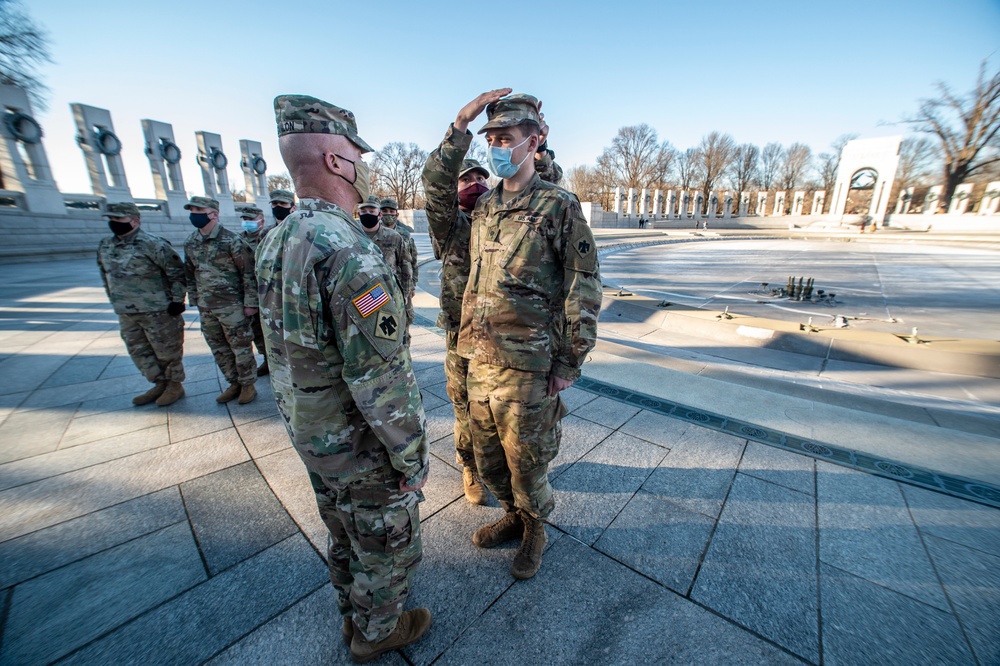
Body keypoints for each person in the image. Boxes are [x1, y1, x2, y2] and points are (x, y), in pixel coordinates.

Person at [255, 94, 431, 662]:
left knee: (342, 531)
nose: (362, 166)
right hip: (360, 443)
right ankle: (380, 631)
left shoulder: (277, 239)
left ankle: (351, 615)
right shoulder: (349, 251)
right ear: (337, 161)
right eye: (356, 153)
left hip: (312, 433)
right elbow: (380, 375)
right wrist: (411, 455)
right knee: (382, 541)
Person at [457, 91, 602, 580]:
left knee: (527, 461)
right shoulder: (484, 207)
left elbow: (582, 285)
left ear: (533, 142)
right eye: (492, 139)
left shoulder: (559, 205)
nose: (497, 147)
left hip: (529, 364)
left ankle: (535, 527)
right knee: (489, 458)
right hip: (480, 359)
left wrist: (568, 361)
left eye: (506, 138)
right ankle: (513, 516)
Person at [421, 88, 564, 507]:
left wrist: (540, 144)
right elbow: (434, 187)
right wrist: (461, 126)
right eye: (466, 179)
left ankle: (523, 487)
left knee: (519, 425)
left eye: (480, 178)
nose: (475, 184)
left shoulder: (502, 211)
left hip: (508, 341)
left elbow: (546, 190)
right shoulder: (451, 227)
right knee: (467, 415)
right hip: (461, 337)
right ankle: (472, 467)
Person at [97, 201, 187, 407]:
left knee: (167, 350)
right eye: (111, 219)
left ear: (135, 220)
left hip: (158, 310)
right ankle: (158, 382)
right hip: (127, 310)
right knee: (138, 350)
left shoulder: (153, 244)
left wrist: (177, 301)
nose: (114, 223)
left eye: (119, 219)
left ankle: (174, 384)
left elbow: (176, 273)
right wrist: (114, 300)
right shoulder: (105, 245)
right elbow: (106, 275)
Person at [183, 196, 258, 405]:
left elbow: (248, 274)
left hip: (232, 305)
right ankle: (233, 382)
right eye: (192, 210)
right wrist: (195, 300)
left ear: (213, 213)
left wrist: (251, 303)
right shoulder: (191, 242)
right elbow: (190, 274)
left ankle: (247, 384)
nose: (194, 214)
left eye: (199, 210)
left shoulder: (232, 241)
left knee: (240, 345)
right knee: (217, 346)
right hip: (207, 306)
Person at [357, 195, 413, 338]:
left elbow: (406, 266)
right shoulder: (351, 235)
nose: (368, 214)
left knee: (394, 336)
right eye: (364, 211)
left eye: (372, 210)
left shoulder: (394, 236)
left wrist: (406, 294)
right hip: (361, 295)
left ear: (378, 214)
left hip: (389, 294)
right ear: (358, 213)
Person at [238, 204, 272, 376]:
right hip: (250, 293)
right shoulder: (237, 241)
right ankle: (267, 360)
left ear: (261, 220)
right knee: (257, 332)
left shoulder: (270, 236)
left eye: (250, 219)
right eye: (244, 219)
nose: (247, 222)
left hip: (269, 292)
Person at [378, 197, 416, 327]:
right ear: (380, 213)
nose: (388, 214)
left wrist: (412, 285)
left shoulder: (405, 235)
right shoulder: (374, 233)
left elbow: (413, 261)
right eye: (385, 211)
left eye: (391, 211)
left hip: (402, 284)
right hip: (381, 286)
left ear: (397, 214)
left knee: (405, 321)